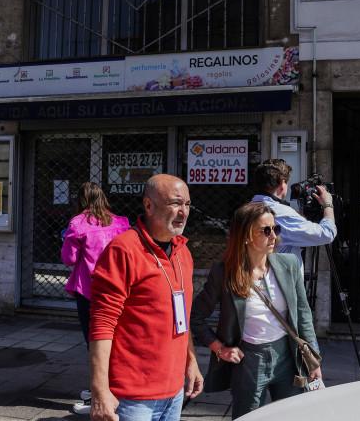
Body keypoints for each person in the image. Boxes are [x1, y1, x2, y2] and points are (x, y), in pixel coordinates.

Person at [88, 174, 203, 421]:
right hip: (132, 398)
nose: (183, 211)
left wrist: (191, 362)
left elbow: (182, 316)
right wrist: (99, 390)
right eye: (175, 203)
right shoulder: (124, 249)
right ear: (149, 206)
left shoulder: (183, 252)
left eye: (187, 204)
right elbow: (102, 324)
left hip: (174, 391)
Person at [191, 202, 322, 419]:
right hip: (250, 361)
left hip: (287, 357)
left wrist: (314, 360)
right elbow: (196, 317)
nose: (274, 236)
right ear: (245, 236)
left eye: (276, 229)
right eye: (266, 230)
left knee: (293, 415)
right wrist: (219, 348)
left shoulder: (288, 264)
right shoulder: (223, 273)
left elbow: (303, 314)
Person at [61, 182, 130, 414]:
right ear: (103, 197)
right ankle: (106, 388)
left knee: (94, 342)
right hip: (118, 290)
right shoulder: (121, 223)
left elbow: (69, 259)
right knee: (116, 340)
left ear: (80, 200)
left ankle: (101, 393)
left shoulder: (77, 223)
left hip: (89, 290)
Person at [251, 159, 336, 271]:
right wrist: (328, 204)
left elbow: (281, 247)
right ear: (282, 184)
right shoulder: (282, 213)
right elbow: (327, 234)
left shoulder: (249, 208)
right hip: (278, 284)